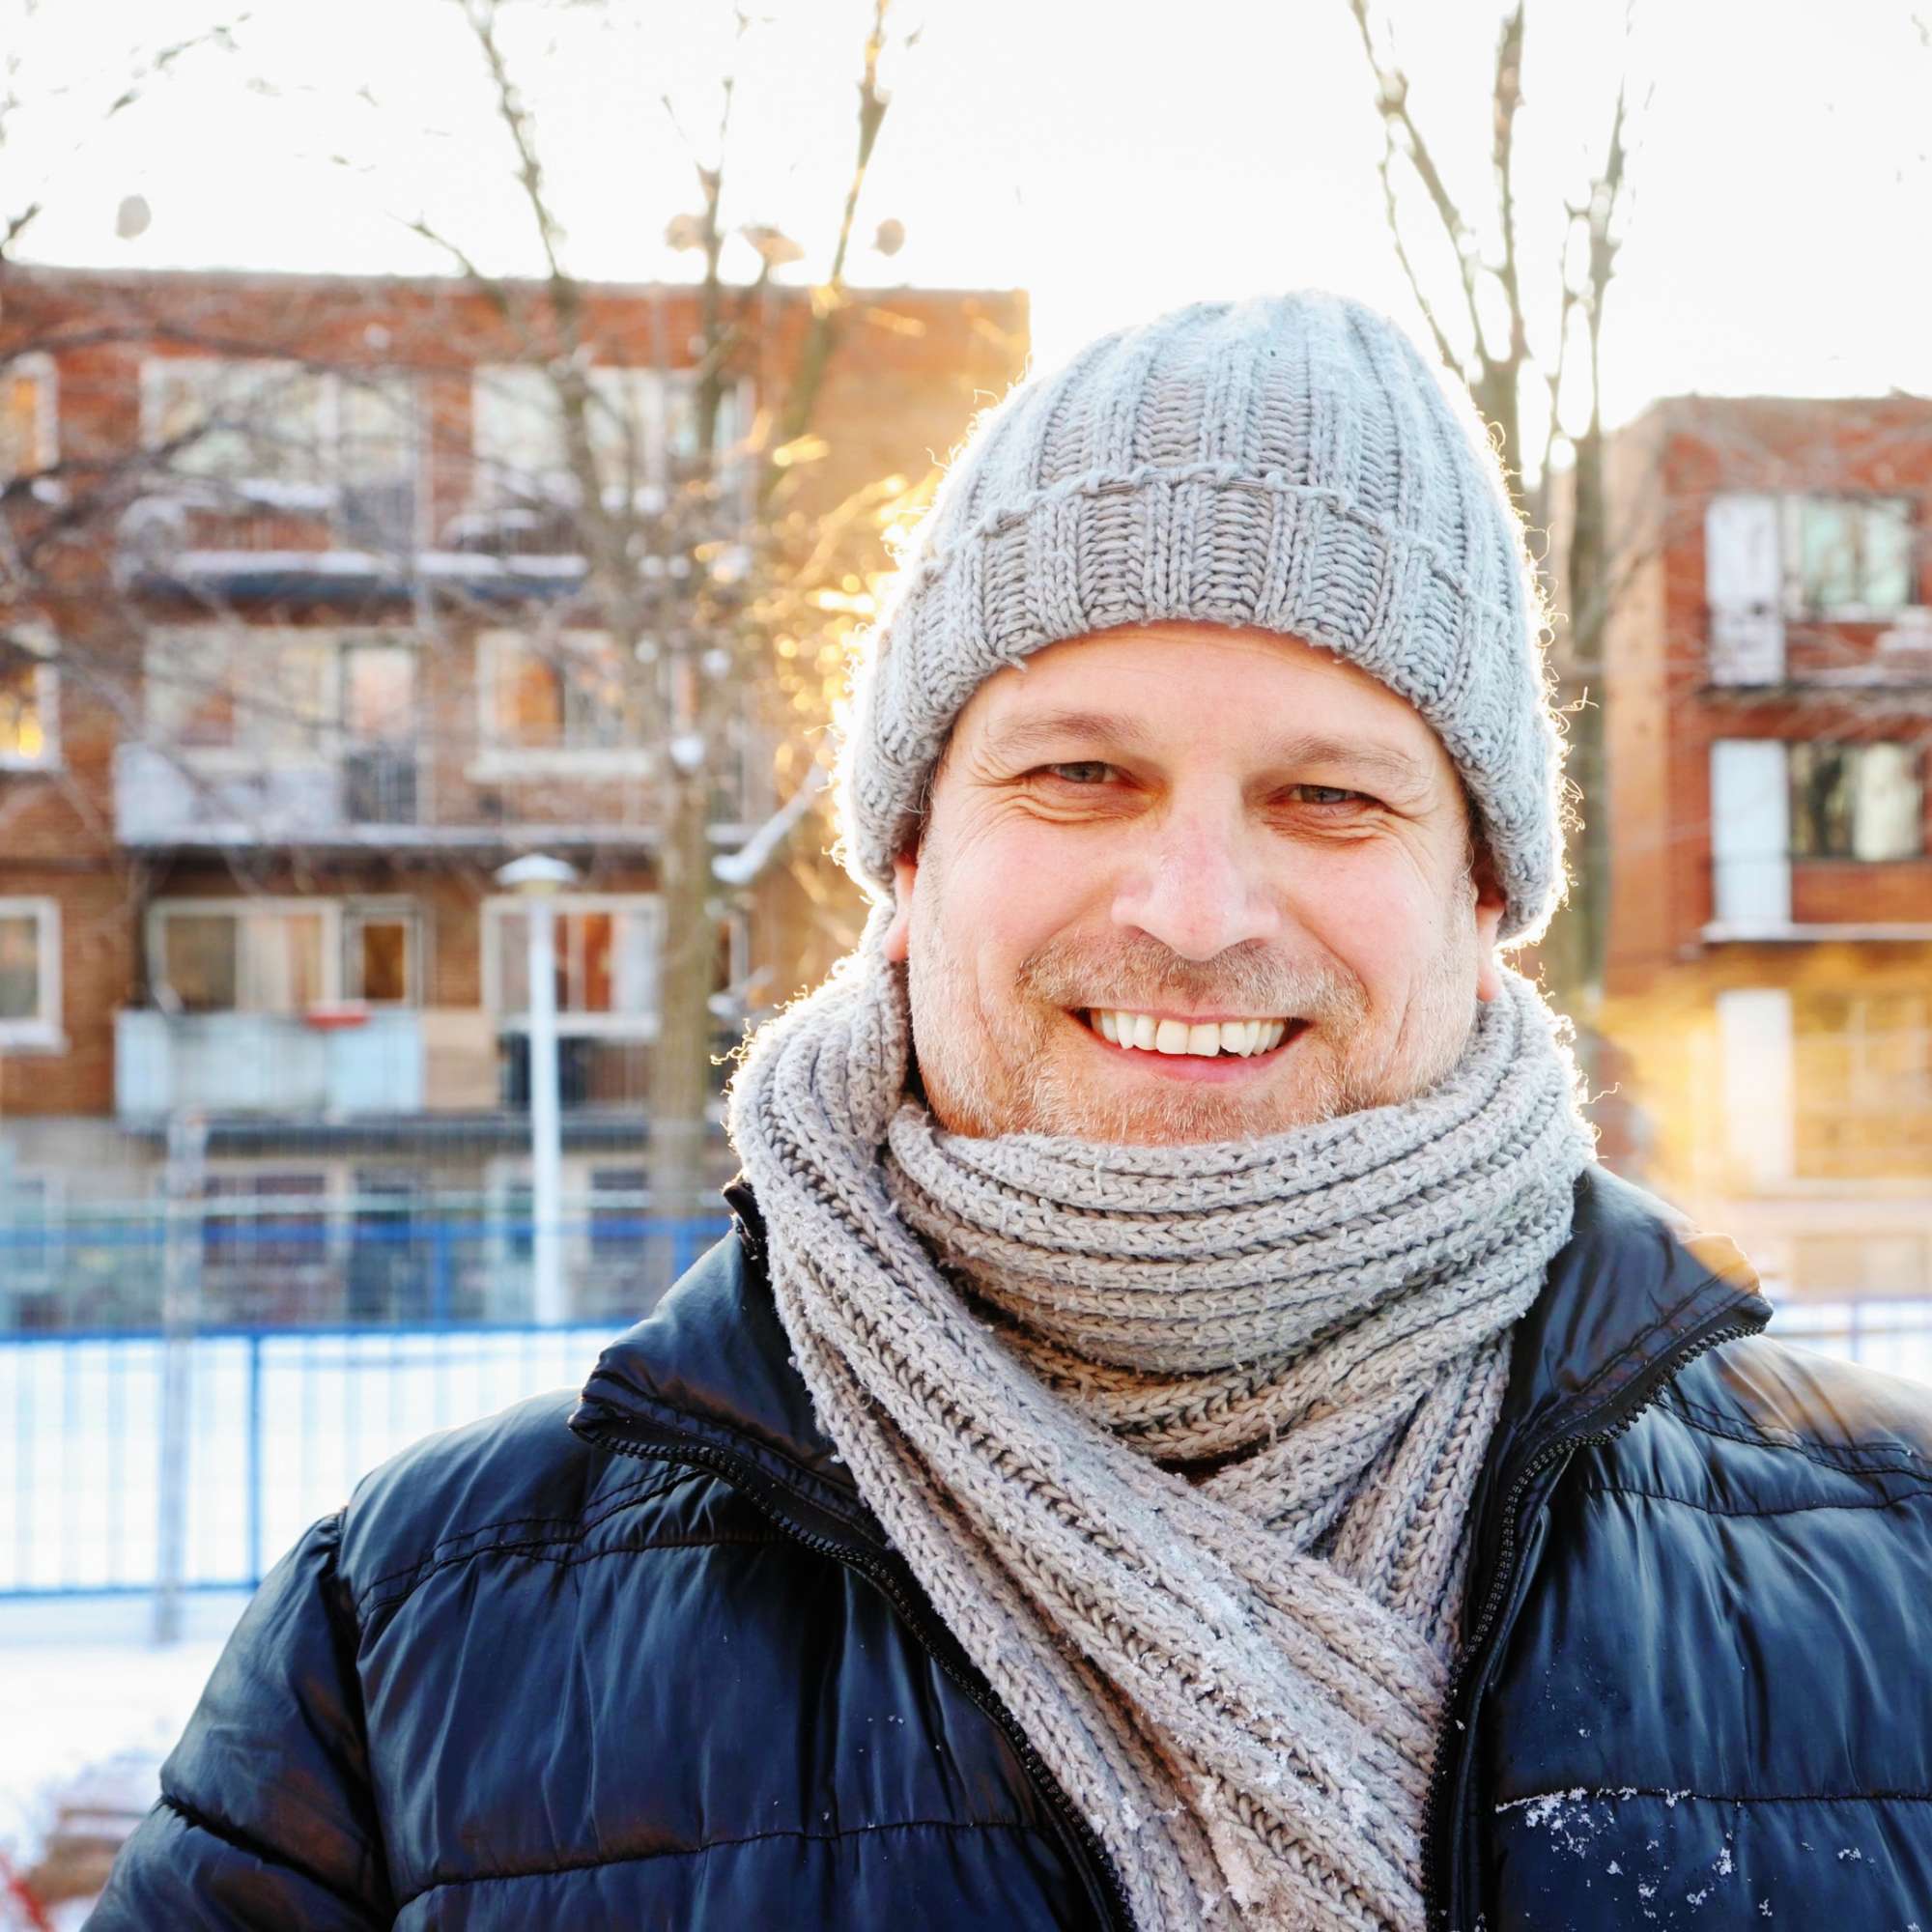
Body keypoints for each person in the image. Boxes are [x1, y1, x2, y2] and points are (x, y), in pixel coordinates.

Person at [91, 296, 1932, 1932]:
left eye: (1330, 799)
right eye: (1079, 775)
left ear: (1482, 895)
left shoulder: (1902, 1567)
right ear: (907, 855)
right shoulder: (412, 1633)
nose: (1195, 909)